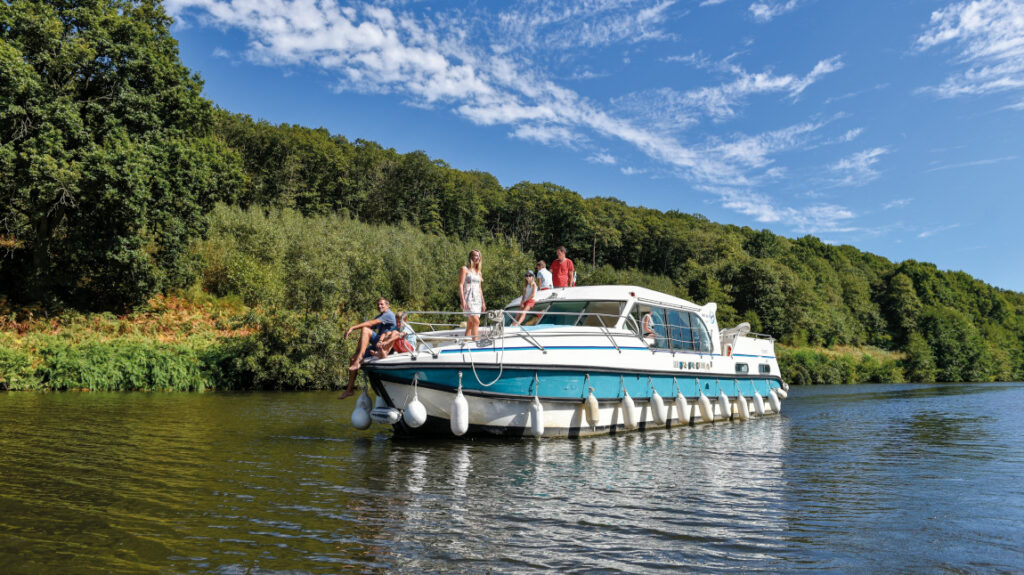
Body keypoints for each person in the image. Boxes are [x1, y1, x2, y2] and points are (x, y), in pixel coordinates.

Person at [338, 297, 396, 399]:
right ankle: (349, 390)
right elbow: (369, 327)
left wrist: (352, 327)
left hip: (386, 345)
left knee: (365, 329)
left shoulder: (389, 315)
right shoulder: (380, 316)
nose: (379, 306)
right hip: (377, 343)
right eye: (378, 304)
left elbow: (369, 324)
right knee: (352, 359)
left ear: (388, 305)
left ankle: (359, 358)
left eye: (382, 304)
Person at [458, 249, 486, 340]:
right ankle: (475, 342)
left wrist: (483, 302)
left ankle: (466, 343)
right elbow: (461, 285)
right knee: (476, 321)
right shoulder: (464, 269)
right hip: (468, 298)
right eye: (476, 255)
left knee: (470, 324)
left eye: (479, 255)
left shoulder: (478, 272)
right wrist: (462, 301)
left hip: (477, 299)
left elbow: (480, 288)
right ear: (471, 257)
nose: (478, 257)